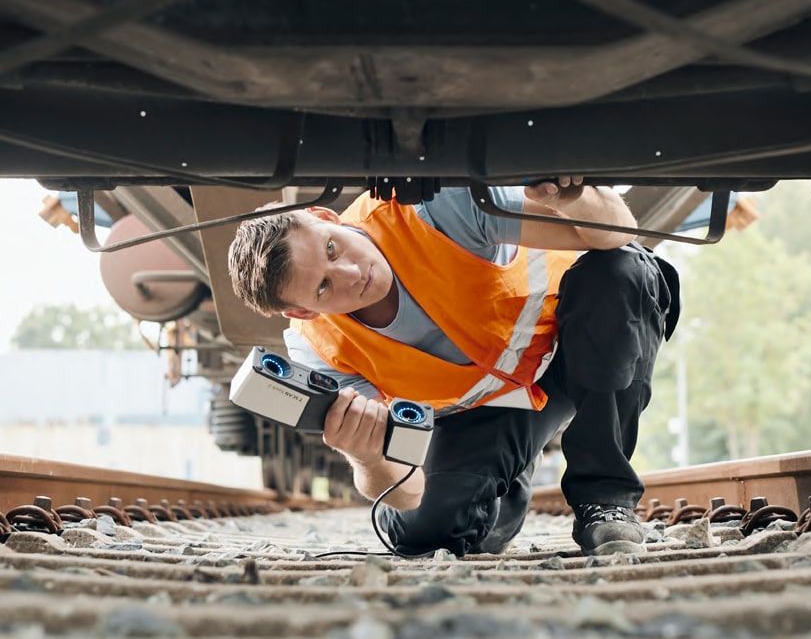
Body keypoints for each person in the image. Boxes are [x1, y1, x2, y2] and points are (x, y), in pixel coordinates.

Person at [227, 178, 679, 557]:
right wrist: (367, 459)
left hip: (574, 344)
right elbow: (403, 492)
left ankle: (606, 503)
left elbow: (614, 233)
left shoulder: (426, 207)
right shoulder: (321, 351)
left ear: (328, 218)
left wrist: (574, 199)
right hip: (492, 410)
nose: (349, 273)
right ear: (303, 313)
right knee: (421, 532)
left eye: (331, 248)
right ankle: (499, 496)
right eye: (323, 289)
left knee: (621, 270)